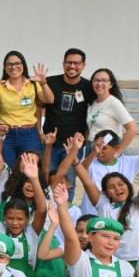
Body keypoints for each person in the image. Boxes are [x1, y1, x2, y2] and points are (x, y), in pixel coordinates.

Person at [76, 142, 139, 264]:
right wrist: (73, 155)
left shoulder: (138, 206)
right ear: (106, 193)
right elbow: (86, 181)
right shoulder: (102, 204)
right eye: (111, 187)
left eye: (121, 184)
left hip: (134, 260)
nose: (117, 189)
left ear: (128, 186)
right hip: (107, 260)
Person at [0, 50, 53, 172]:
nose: (13, 67)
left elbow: (49, 99)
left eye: (17, 63)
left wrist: (43, 83)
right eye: (9, 64)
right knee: (5, 170)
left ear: (23, 65)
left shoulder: (33, 83)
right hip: (6, 134)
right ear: (5, 68)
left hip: (29, 134)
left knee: (29, 170)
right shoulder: (0, 85)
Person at [41, 48, 94, 197]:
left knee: (68, 184)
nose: (72, 66)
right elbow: (39, 106)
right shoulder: (50, 82)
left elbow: (94, 112)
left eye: (77, 63)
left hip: (72, 146)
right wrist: (39, 131)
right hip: (50, 143)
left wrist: (86, 139)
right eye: (69, 62)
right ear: (63, 64)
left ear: (83, 65)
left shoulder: (89, 87)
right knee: (46, 181)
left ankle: (67, 215)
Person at [86, 68, 138, 149]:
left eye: (104, 80)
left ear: (111, 84)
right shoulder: (92, 102)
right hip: (91, 147)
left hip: (106, 150)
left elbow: (133, 129)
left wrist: (117, 152)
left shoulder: (114, 103)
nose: (99, 83)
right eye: (96, 80)